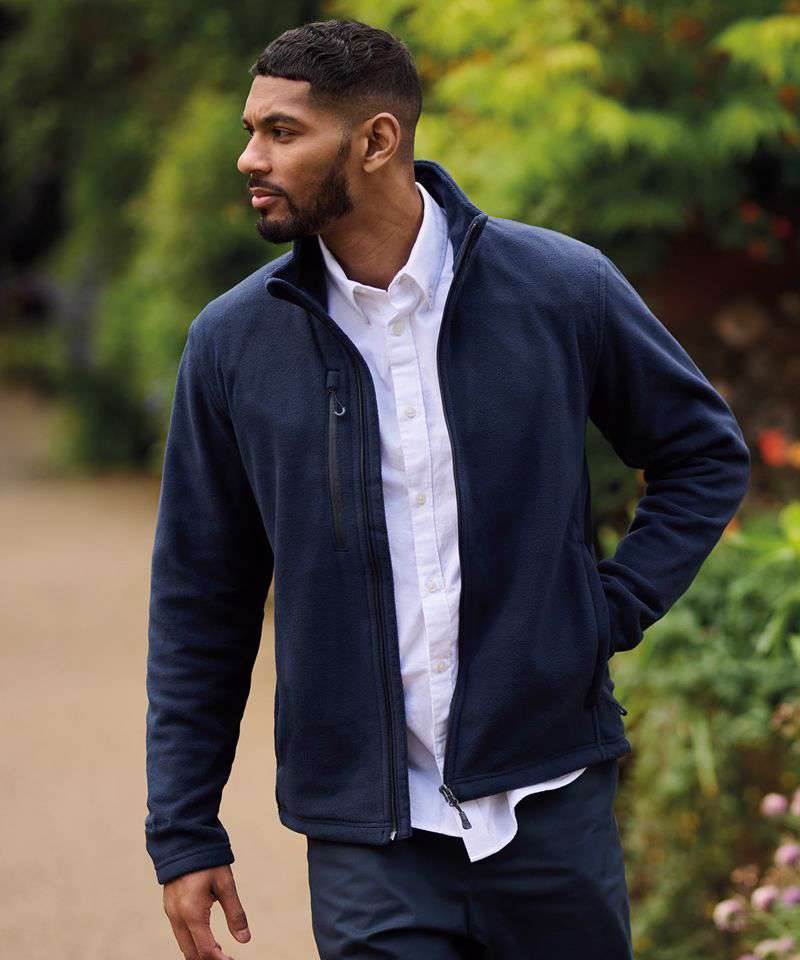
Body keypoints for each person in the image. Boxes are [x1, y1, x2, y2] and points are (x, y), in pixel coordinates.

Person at [145, 17, 751, 960]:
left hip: (550, 803)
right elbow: (201, 594)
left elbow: (703, 453)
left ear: (377, 140)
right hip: (367, 835)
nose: (249, 158)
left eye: (282, 132)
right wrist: (185, 828)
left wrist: (607, 609)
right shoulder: (233, 344)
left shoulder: (560, 288)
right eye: (251, 129)